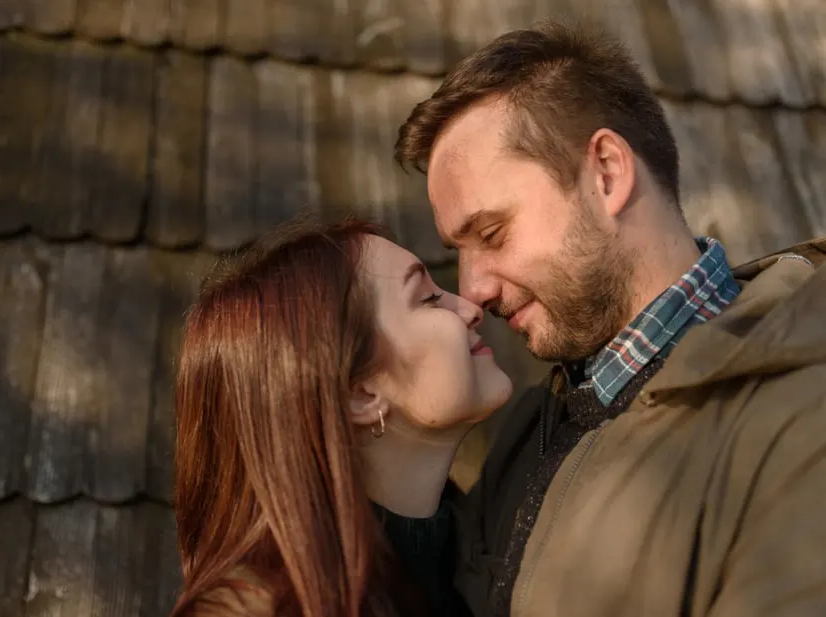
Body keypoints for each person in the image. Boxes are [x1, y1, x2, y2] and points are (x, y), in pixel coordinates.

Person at [385, 19, 826, 617]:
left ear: (608, 173)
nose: (472, 291)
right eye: (458, 250)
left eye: (491, 233)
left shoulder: (797, 419)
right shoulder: (528, 427)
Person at [169, 216, 513, 617]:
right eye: (428, 299)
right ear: (361, 394)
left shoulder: (491, 549)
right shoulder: (263, 609)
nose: (470, 308)